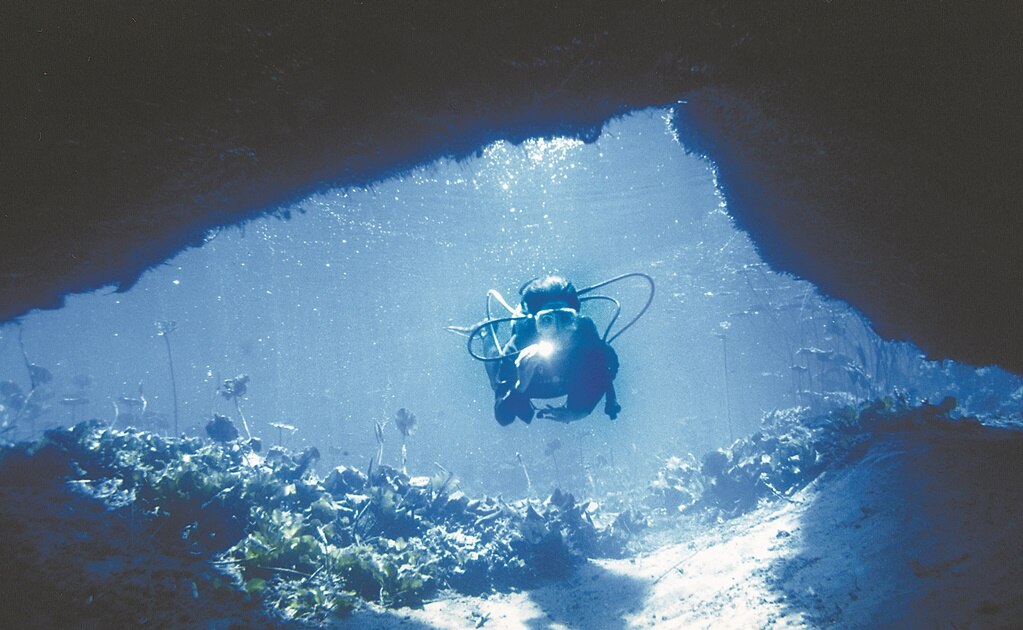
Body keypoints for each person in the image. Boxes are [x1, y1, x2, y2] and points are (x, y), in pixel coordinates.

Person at [484, 275, 620, 425]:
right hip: (533, 387)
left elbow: (607, 371)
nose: (558, 330)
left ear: (576, 319)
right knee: (495, 379)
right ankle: (487, 333)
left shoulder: (587, 340)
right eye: (547, 320)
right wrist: (520, 384)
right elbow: (503, 418)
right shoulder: (517, 348)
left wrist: (579, 412)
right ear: (535, 324)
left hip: (565, 385)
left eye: (565, 319)